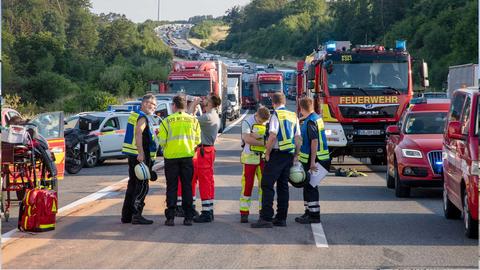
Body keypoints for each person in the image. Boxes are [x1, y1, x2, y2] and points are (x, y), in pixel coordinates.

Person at [251, 92, 301, 228]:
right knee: (283, 186)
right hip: (289, 155)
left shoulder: (276, 115)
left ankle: (266, 218)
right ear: (284, 101)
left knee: (267, 184)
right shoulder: (293, 115)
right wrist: (296, 154)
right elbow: (298, 138)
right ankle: (281, 218)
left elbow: (272, 136)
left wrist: (267, 153)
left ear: (273, 103)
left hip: (277, 154)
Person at [158, 95, 201, 226]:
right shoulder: (193, 120)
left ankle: (170, 217)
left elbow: (162, 141)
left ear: (174, 106)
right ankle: (188, 217)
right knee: (187, 186)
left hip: (171, 158)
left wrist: (168, 149)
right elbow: (198, 141)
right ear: (185, 106)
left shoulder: (166, 121)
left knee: (172, 187)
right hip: (187, 157)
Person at [121, 94, 159, 225]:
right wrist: (141, 153)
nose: (153, 107)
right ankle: (137, 215)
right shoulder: (142, 117)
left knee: (132, 185)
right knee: (142, 186)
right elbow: (138, 133)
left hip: (132, 155)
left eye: (154, 105)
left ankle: (127, 216)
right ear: (144, 103)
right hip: (140, 156)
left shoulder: (134, 114)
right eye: (151, 104)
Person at [184, 94, 222, 223]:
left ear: (210, 103)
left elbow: (187, 119)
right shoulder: (212, 115)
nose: (203, 100)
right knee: (207, 181)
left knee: (203, 182)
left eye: (206, 99)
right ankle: (208, 210)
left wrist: (193, 104)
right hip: (206, 151)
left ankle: (206, 212)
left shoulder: (208, 117)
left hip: (203, 152)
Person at [295, 97, 331, 224]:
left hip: (317, 161)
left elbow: (314, 141)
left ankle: (314, 216)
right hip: (320, 159)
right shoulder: (316, 118)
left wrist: (312, 162)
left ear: (301, 108)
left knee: (311, 186)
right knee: (307, 185)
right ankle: (308, 212)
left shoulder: (310, 122)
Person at [239, 106, 270, 223]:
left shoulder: (268, 121)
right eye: (261, 121)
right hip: (249, 159)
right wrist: (264, 143)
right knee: (247, 186)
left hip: (263, 159)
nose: (263, 123)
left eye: (264, 121)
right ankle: (244, 212)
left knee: (264, 187)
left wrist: (255, 136)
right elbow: (247, 139)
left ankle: (263, 212)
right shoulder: (247, 121)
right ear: (256, 115)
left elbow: (272, 137)